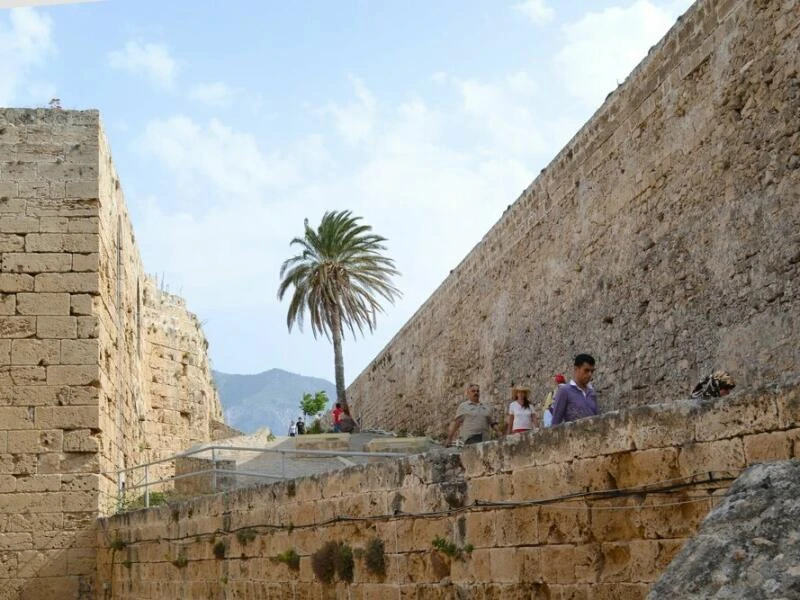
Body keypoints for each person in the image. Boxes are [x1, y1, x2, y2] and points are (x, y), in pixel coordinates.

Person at [551, 354, 599, 426]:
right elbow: (555, 423)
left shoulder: (591, 393)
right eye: (586, 370)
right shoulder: (564, 391)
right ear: (576, 369)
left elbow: (597, 419)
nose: (590, 374)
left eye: (592, 371)